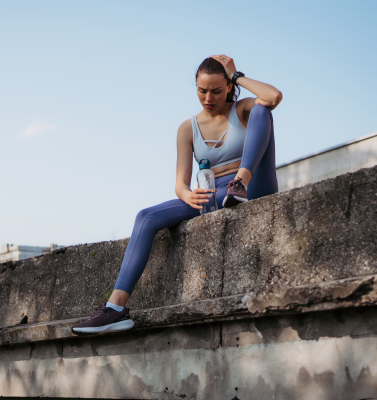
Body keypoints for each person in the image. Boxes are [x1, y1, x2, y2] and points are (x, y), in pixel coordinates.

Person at [72, 54, 283, 334]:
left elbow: (273, 96)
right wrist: (188, 196)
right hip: (214, 196)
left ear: (229, 87)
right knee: (146, 217)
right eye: (202, 90)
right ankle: (115, 308)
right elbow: (180, 184)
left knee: (262, 110)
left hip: (254, 184)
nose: (208, 97)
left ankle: (239, 183)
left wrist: (236, 74)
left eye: (217, 90)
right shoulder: (188, 128)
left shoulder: (242, 109)